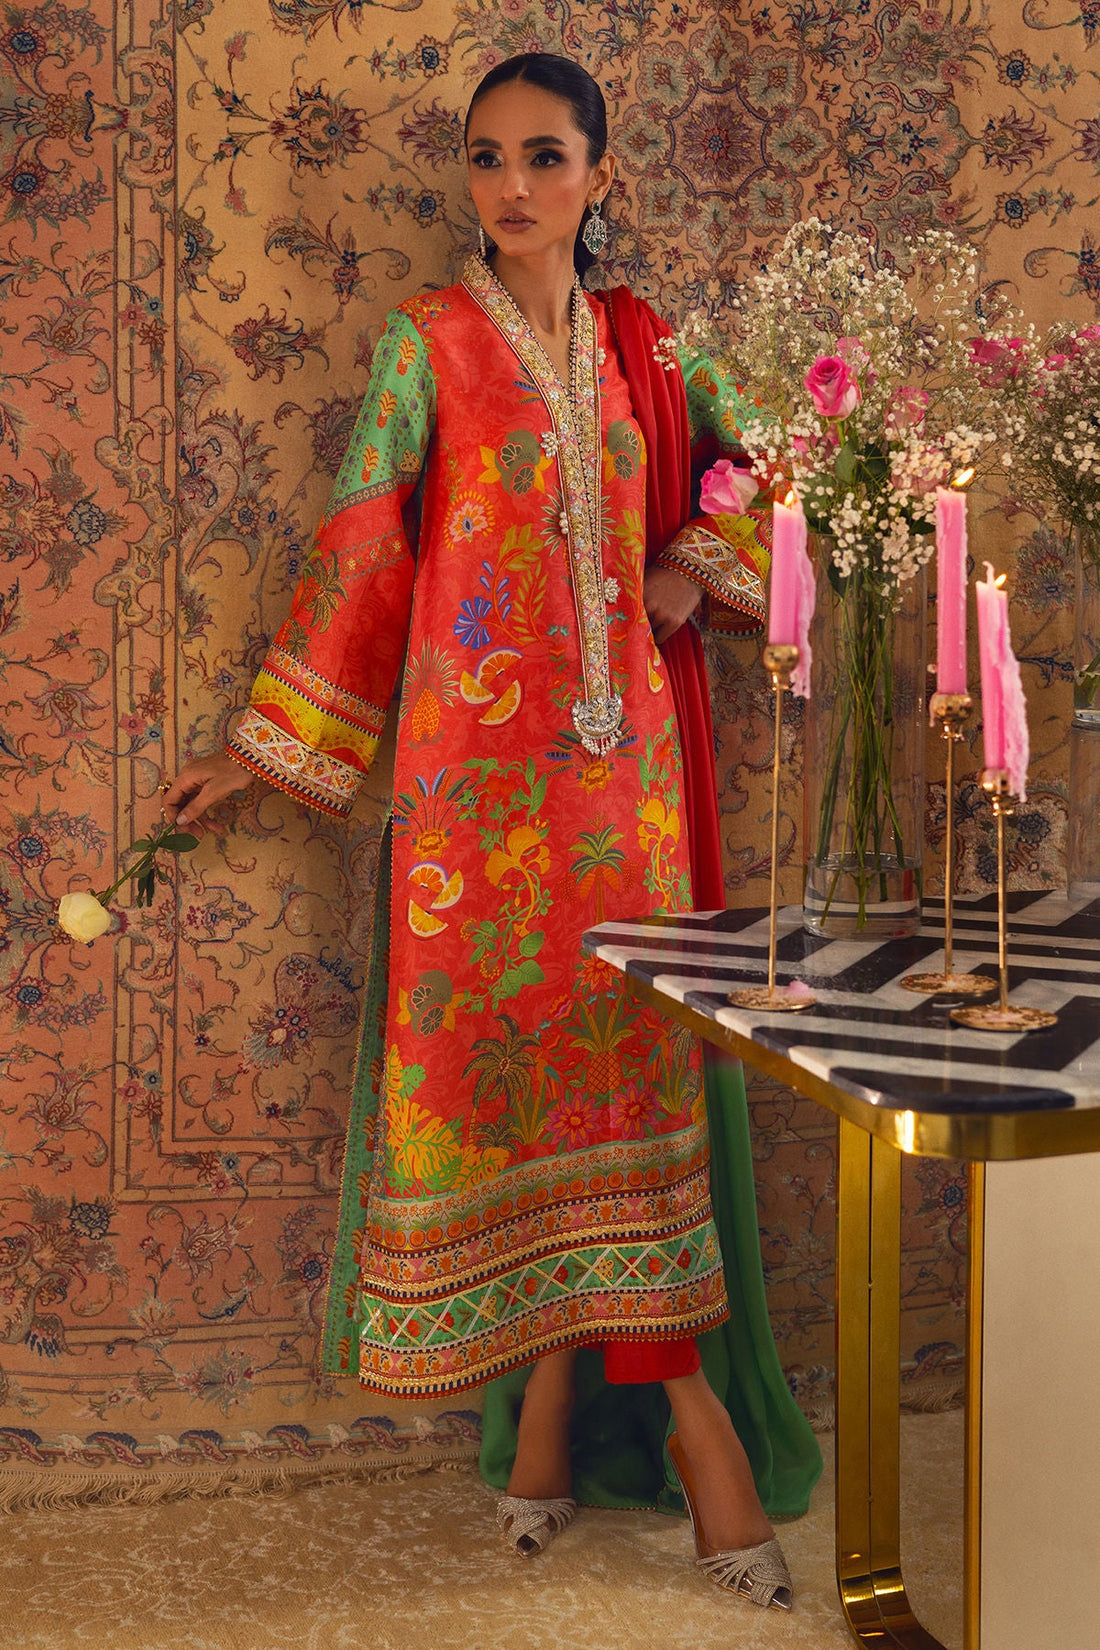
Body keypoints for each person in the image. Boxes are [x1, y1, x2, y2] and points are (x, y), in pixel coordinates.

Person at [165, 51, 821, 1611]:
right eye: (486, 157)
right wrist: (264, 750)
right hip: (471, 791)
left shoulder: (653, 343)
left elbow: (783, 469)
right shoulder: (429, 342)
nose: (511, 185)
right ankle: (564, 1410)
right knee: (503, 1084)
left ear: (600, 174)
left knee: (627, 1078)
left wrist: (688, 567)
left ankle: (663, 1415)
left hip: (624, 786)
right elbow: (363, 544)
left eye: (542, 155)